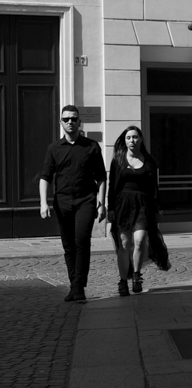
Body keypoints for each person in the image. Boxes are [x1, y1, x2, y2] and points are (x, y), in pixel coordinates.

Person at [39, 105, 107, 303]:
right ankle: (73, 285)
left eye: (74, 119)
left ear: (79, 122)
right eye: (66, 119)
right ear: (61, 122)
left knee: (82, 241)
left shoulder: (91, 146)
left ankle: (79, 286)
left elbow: (101, 177)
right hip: (62, 203)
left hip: (86, 200)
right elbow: (45, 177)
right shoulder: (54, 148)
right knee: (68, 246)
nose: (70, 122)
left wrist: (101, 204)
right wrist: (43, 203)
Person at [107, 125, 170, 295]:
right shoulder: (118, 160)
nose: (131, 140)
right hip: (123, 204)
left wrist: (158, 207)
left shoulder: (149, 161)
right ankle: (122, 281)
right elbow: (112, 186)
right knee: (125, 244)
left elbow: (154, 187)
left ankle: (136, 275)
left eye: (135, 137)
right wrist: (110, 208)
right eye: (128, 138)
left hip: (143, 204)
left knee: (140, 240)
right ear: (125, 141)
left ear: (141, 139)